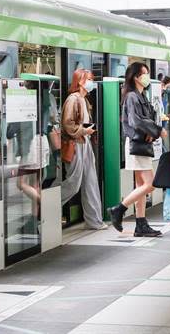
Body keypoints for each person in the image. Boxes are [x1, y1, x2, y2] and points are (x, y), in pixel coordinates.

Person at [107, 62, 167, 237]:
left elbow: (143, 119)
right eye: (144, 73)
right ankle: (119, 209)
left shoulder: (140, 95)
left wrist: (152, 131)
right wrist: (157, 130)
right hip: (137, 144)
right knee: (150, 184)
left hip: (140, 143)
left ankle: (141, 224)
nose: (147, 76)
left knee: (141, 185)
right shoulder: (133, 97)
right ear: (135, 77)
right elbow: (136, 121)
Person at [60, 69, 107, 230]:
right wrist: (84, 131)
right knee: (74, 182)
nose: (91, 82)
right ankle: (47, 206)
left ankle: (94, 221)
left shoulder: (84, 99)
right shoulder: (73, 99)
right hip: (76, 143)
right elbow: (68, 124)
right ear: (80, 81)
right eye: (89, 79)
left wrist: (86, 131)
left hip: (83, 142)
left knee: (90, 180)